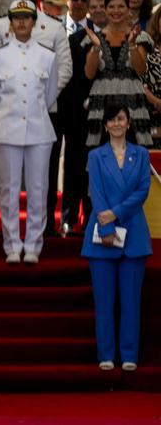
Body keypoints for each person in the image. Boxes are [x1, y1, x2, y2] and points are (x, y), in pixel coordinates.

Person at [0, 0, 58, 263]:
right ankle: (12, 245)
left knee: (39, 189)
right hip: (7, 130)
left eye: (26, 18)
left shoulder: (47, 56)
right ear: (11, 22)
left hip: (39, 130)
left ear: (34, 21)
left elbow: (49, 96)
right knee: (9, 190)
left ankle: (34, 246)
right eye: (17, 18)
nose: (22, 22)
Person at [82, 105, 152, 372]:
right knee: (104, 302)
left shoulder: (141, 155)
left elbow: (143, 190)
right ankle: (107, 355)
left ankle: (130, 354)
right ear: (106, 125)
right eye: (112, 119)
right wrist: (107, 222)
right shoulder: (96, 156)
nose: (117, 123)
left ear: (129, 122)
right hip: (101, 234)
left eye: (121, 118)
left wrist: (116, 213)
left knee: (131, 301)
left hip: (133, 234)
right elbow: (96, 192)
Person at [84, 0, 152, 147]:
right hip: (101, 103)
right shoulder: (94, 37)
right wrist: (95, 48)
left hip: (132, 103)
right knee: (103, 152)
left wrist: (132, 45)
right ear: (105, 10)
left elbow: (141, 70)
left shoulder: (139, 36)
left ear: (128, 9)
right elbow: (89, 73)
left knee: (133, 151)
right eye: (111, 7)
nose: (116, 11)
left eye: (121, 6)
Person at [59, 0, 98, 235]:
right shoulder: (52, 28)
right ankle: (67, 218)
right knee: (65, 166)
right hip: (56, 106)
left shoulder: (97, 32)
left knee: (86, 164)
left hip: (87, 109)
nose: (79, 2)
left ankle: (88, 218)